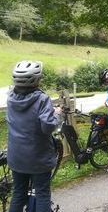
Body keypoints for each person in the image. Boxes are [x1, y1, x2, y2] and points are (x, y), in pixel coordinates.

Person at [6, 60, 62, 212]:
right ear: (37, 79)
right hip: (38, 158)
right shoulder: (42, 99)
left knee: (18, 194)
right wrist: (56, 115)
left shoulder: (10, 98)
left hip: (16, 157)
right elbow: (48, 127)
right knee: (42, 194)